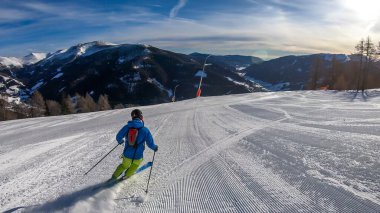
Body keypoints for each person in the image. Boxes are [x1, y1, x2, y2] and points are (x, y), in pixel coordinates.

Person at [110, 109, 158, 181]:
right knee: (135, 165)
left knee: (123, 165)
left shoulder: (127, 127)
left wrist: (121, 141)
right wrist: (155, 147)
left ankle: (114, 177)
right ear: (141, 117)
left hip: (127, 154)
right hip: (138, 156)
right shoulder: (145, 130)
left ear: (132, 117)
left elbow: (118, 137)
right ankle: (126, 175)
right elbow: (150, 143)